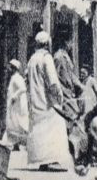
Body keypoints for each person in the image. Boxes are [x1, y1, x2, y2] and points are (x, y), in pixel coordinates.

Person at [24, 31, 71, 169]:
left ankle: (42, 161)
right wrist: (59, 96)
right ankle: (51, 160)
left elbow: (27, 79)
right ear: (47, 44)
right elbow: (53, 82)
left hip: (35, 100)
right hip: (47, 102)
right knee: (55, 125)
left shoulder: (32, 59)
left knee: (38, 130)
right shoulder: (46, 58)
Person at [3, 58, 30, 148]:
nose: (9, 69)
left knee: (17, 123)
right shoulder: (14, 78)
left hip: (16, 105)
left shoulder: (16, 78)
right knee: (13, 124)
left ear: (14, 68)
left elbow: (23, 88)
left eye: (10, 68)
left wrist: (15, 95)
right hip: (14, 105)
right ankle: (14, 143)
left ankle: (17, 142)